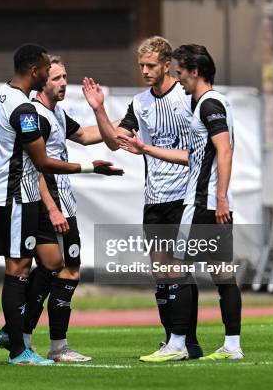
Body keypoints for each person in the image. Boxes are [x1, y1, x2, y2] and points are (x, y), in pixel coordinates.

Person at [0, 43, 123, 365]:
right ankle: (19, 348)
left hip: (17, 195)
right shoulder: (27, 111)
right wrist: (90, 168)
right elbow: (42, 161)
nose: (53, 79)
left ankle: (19, 335)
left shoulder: (0, 96)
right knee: (19, 269)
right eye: (49, 72)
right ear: (35, 72)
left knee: (51, 264)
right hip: (19, 196)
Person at [117, 43, 243, 361]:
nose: (179, 77)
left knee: (175, 271)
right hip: (212, 203)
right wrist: (147, 149)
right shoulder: (216, 101)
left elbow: (224, 149)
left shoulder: (207, 104)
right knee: (222, 274)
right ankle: (232, 345)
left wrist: (221, 197)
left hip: (201, 202)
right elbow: (199, 154)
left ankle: (177, 344)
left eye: (182, 71)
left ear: (195, 71)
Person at [82, 36, 202, 362]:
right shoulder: (140, 103)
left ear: (167, 65)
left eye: (151, 65)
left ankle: (183, 342)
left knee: (178, 271)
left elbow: (197, 153)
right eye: (141, 66)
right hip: (155, 198)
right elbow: (112, 141)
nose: (145, 71)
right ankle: (175, 342)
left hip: (184, 196)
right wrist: (100, 109)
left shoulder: (187, 97)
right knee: (161, 273)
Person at [20, 55, 120, 362]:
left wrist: (117, 115)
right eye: (57, 78)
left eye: (65, 77)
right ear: (41, 81)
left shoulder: (58, 113)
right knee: (61, 270)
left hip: (65, 204)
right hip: (50, 205)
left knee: (63, 270)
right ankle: (39, 342)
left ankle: (29, 337)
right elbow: (33, 167)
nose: (63, 83)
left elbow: (88, 136)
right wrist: (51, 209)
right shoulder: (33, 115)